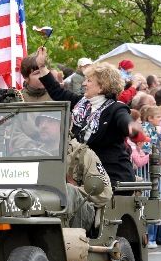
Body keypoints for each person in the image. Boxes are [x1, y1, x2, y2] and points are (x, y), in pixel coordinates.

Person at [33, 48, 139, 187]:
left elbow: (123, 119)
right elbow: (57, 91)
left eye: (89, 81)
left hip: (112, 177)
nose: (84, 84)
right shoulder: (81, 104)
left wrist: (130, 126)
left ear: (102, 87)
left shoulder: (115, 108)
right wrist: (41, 66)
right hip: (83, 175)